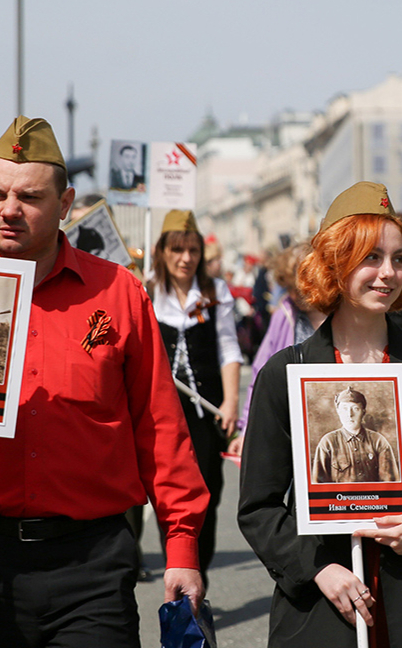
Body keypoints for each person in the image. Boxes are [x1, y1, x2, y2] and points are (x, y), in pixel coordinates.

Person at [0, 116, 208, 648]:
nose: (8, 210)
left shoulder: (117, 292)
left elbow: (160, 428)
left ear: (66, 203)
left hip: (92, 562)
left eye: (29, 197)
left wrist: (181, 546)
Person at [239, 181, 402, 647]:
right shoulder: (287, 372)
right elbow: (258, 506)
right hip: (321, 611)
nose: (387, 273)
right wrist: (319, 570)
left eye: (398, 258)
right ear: (334, 262)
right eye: (370, 257)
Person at [147, 209, 241, 584]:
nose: (186, 258)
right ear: (163, 252)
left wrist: (231, 403)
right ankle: (177, 568)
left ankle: (199, 571)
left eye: (193, 250)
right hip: (162, 410)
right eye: (177, 249)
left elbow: (229, 349)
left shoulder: (215, 292)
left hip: (206, 410)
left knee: (208, 492)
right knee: (168, 494)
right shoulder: (147, 289)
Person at [230, 244, 326, 456]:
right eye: (292, 286)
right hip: (291, 424)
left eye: (307, 284)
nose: (299, 293)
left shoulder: (339, 315)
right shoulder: (285, 313)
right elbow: (260, 372)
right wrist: (246, 428)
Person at [311, 386, 399, 484]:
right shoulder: (328, 442)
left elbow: (390, 484)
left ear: (363, 412)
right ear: (338, 411)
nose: (349, 414)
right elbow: (318, 485)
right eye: (345, 409)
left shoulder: (378, 441)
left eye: (356, 409)